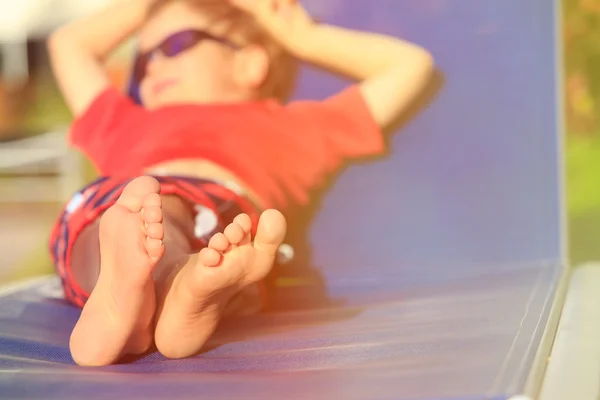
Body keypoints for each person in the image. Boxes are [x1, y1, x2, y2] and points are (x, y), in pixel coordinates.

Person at [47, 0, 434, 367]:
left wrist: (301, 36)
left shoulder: (294, 127)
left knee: (155, 217)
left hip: (223, 221)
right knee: (119, 221)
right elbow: (67, 45)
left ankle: (159, 291)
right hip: (123, 206)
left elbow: (411, 67)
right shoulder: (123, 122)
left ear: (250, 63)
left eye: (176, 44)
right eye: (143, 59)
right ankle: (160, 293)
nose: (153, 66)